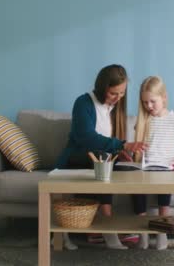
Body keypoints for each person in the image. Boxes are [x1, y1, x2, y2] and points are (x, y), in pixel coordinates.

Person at [56, 64, 147, 250]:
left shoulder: (112, 108)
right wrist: (121, 145)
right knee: (104, 167)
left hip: (99, 159)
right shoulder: (83, 103)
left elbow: (105, 142)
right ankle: (109, 233)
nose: (118, 98)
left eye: (122, 94)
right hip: (77, 158)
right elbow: (86, 137)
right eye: (114, 93)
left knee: (134, 170)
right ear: (102, 87)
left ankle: (142, 229)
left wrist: (119, 152)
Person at [132, 76, 174, 250]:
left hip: (165, 167)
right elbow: (137, 146)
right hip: (146, 167)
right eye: (145, 102)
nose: (148, 106)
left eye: (152, 101)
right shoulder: (144, 120)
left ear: (164, 97)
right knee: (135, 188)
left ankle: (162, 233)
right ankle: (143, 235)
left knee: (165, 190)